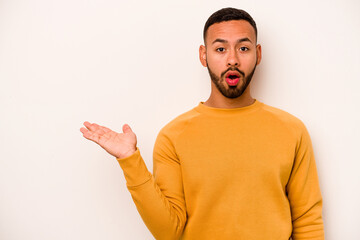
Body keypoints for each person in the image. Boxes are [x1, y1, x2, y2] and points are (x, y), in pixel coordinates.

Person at [80, 7, 324, 240]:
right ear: (203, 55)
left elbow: (307, 221)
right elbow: (168, 232)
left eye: (244, 48)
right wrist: (129, 160)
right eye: (220, 49)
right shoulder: (173, 136)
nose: (232, 60)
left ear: (258, 54)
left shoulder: (292, 130)